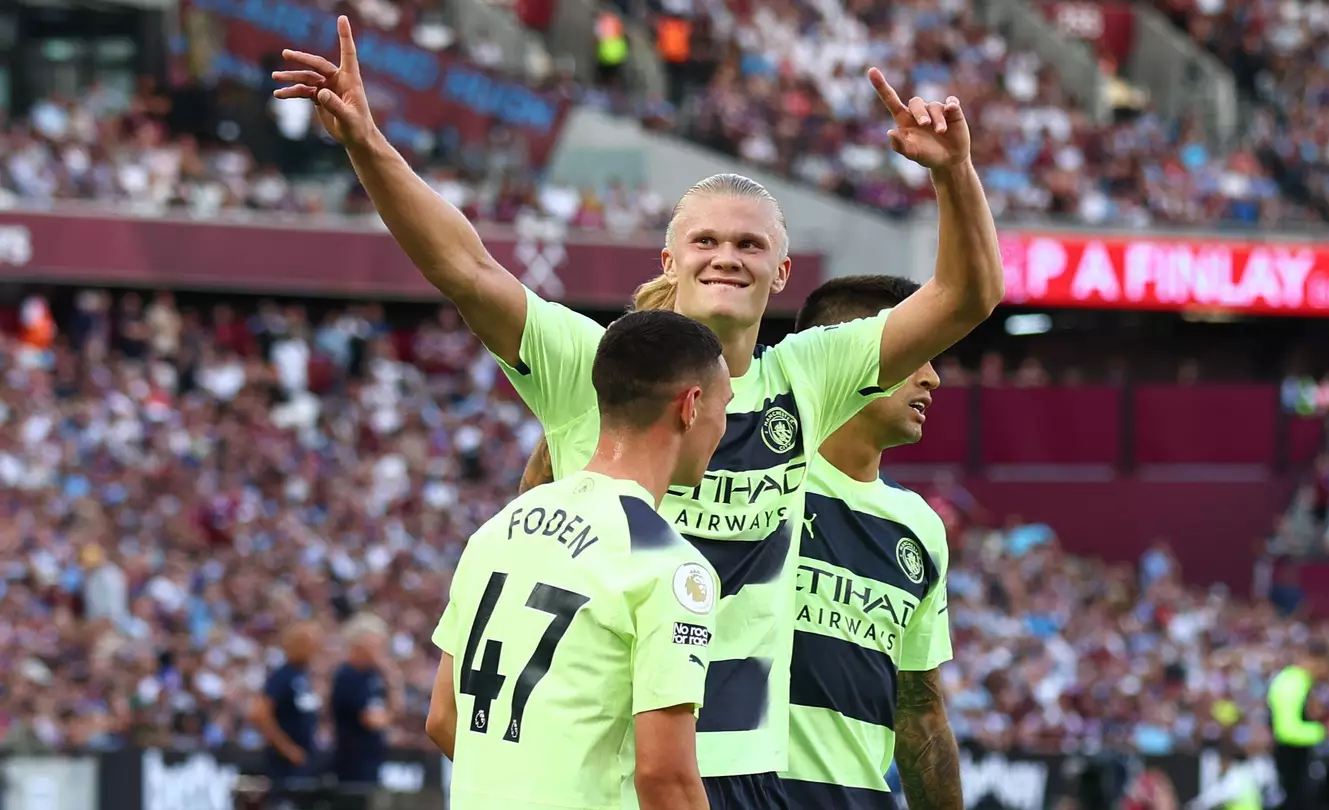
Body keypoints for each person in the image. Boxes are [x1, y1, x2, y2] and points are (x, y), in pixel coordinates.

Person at [276, 19, 1003, 806]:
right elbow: (467, 267)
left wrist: (954, 174)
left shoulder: (807, 377)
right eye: (706, 240)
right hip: (622, 767)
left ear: (782, 271)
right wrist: (367, 145)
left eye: (751, 246)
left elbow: (967, 298)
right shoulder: (595, 368)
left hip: (747, 770)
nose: (726, 255)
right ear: (670, 260)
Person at [424, 309, 730, 810]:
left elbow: (443, 717)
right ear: (691, 406)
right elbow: (665, 778)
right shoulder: (667, 563)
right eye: (726, 407)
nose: (724, 427)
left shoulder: (500, 526)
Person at [777, 276, 961, 810]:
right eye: (917, 355)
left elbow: (920, 715)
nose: (934, 378)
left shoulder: (919, 527)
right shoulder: (747, 470)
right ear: (848, 354)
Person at [250, 622, 323, 804]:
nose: (315, 647)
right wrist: (287, 748)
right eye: (309, 642)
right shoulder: (282, 676)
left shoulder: (304, 676)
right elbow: (259, 714)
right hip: (284, 763)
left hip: (304, 760)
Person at [330, 613, 395, 804]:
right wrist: (387, 718)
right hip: (352, 763)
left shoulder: (372, 675)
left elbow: (392, 712)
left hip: (371, 760)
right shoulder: (347, 676)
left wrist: (393, 681)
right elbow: (373, 721)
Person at [1267, 643, 1329, 810]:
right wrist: (1323, 732)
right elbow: (1286, 730)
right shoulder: (1293, 683)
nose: (1325, 671)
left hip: (1297, 759)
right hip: (1290, 760)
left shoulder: (1301, 682)